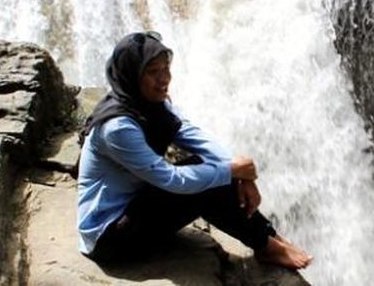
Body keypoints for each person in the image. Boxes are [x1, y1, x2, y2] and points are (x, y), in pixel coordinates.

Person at [77, 31, 312, 269]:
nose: (163, 79)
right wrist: (231, 171)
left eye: (166, 68)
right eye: (152, 72)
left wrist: (240, 171)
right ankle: (266, 246)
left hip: (136, 209)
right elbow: (173, 180)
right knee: (205, 181)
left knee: (211, 167)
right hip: (109, 238)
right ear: (131, 76)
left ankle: (268, 237)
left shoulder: (148, 104)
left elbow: (190, 134)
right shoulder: (117, 127)